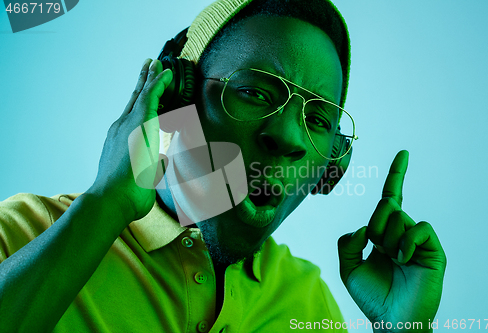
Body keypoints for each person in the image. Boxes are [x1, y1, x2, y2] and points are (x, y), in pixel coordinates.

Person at [0, 0, 446, 332]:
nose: (288, 138)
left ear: (330, 169)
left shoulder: (310, 304)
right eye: (254, 92)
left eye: (317, 120)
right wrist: (105, 204)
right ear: (175, 100)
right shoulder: (25, 233)